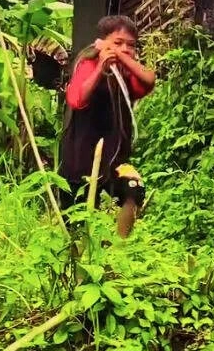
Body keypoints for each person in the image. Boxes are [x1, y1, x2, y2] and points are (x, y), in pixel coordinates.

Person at [59, 15, 156, 238]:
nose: (124, 49)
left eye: (130, 45)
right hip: (82, 155)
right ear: (101, 43)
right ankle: (78, 259)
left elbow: (149, 80)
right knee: (77, 213)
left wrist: (122, 59)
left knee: (134, 191)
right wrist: (101, 67)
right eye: (117, 42)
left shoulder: (128, 72)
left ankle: (118, 249)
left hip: (115, 157)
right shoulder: (87, 64)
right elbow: (77, 99)